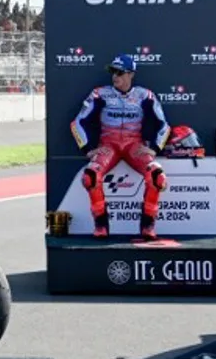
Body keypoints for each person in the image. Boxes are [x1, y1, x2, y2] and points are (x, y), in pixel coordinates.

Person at [70, 55, 172, 240]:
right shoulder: (100, 94)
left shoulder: (145, 95)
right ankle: (101, 226)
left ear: (131, 74)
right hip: (109, 145)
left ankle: (147, 227)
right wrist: (88, 149)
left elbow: (164, 125)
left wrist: (155, 149)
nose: (114, 76)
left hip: (135, 145)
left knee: (157, 177)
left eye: (119, 72)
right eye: (112, 72)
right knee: (90, 176)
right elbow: (77, 123)